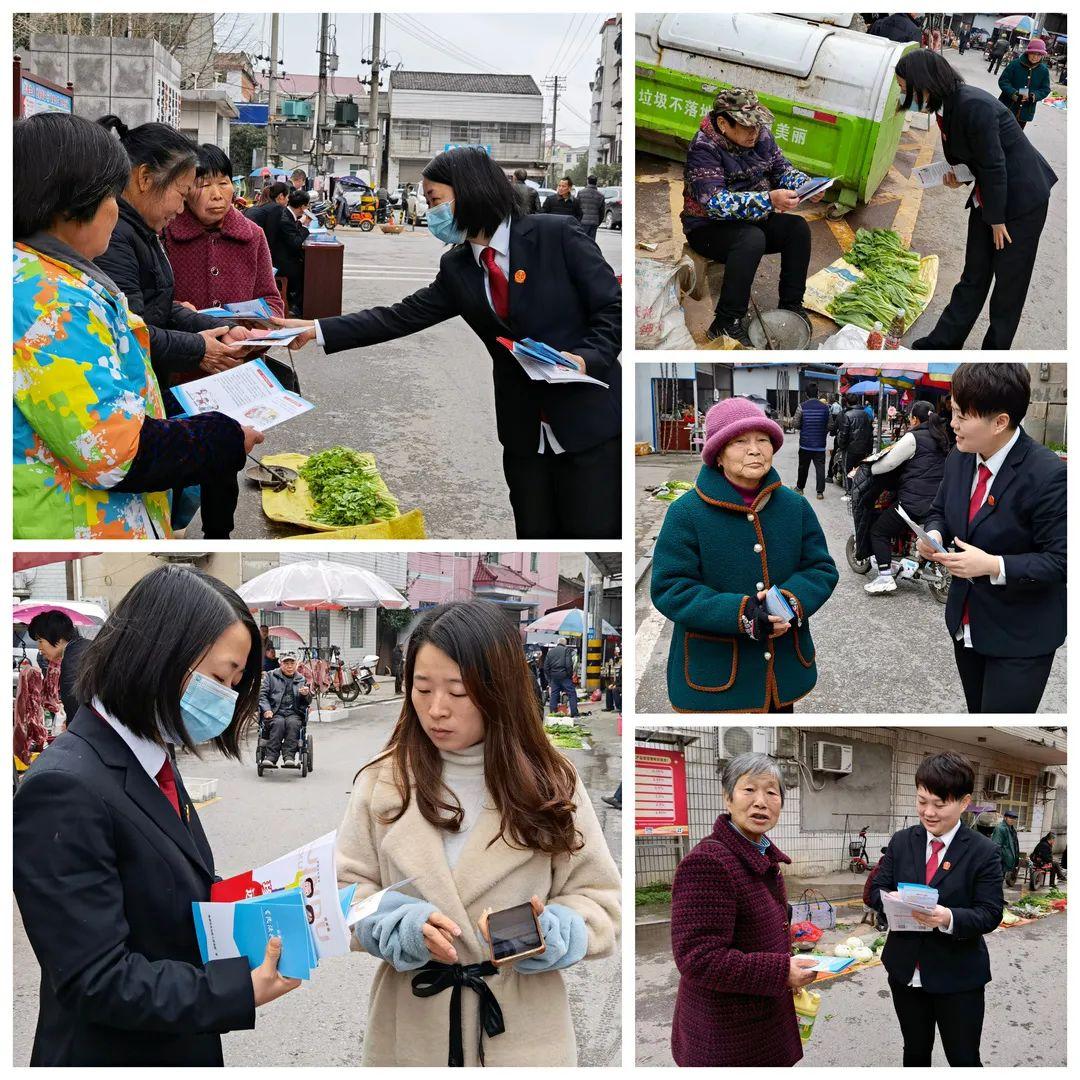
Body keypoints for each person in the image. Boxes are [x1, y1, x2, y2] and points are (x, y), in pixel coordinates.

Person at [12, 565, 299, 1065]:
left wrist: (291, 912)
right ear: (158, 653)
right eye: (218, 676)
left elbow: (174, 885)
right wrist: (237, 990)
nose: (226, 698)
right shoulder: (63, 787)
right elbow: (97, 979)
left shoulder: (149, 759)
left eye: (235, 682)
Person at [272, 147, 621, 540]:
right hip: (524, 434)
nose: (429, 209)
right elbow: (398, 316)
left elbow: (612, 308)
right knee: (535, 530)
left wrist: (588, 359)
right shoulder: (458, 267)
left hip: (589, 425)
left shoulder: (555, 235)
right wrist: (316, 329)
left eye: (434, 198)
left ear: (469, 191)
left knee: (594, 531)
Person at [335, 601, 620, 1066]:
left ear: (499, 690)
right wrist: (395, 926)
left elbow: (599, 897)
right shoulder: (383, 780)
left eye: (459, 692)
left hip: (524, 1029)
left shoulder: (551, 780)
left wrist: (551, 931)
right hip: (410, 1029)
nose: (436, 709)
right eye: (422, 689)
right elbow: (345, 892)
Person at [13, 113, 260, 540]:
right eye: (112, 195)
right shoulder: (51, 302)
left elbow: (142, 320)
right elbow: (116, 452)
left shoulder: (48, 274)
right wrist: (223, 436)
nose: (117, 208)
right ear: (73, 203)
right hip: (74, 521)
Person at [651, 397, 838, 713]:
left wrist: (791, 603)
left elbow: (820, 568)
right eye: (740, 441)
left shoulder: (795, 507)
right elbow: (670, 588)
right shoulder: (686, 513)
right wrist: (741, 613)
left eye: (763, 439)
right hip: (716, 681)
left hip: (780, 675)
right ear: (719, 454)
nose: (755, 449)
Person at [918, 364, 1066, 713]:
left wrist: (992, 565)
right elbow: (940, 508)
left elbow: (1062, 560)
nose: (952, 424)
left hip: (1021, 636)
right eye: (951, 411)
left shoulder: (1049, 475)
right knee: (976, 712)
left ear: (1000, 422)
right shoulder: (960, 456)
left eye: (961, 415)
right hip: (967, 624)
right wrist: (934, 533)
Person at [895, 52, 1058, 350]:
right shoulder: (945, 108)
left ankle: (994, 354)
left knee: (1008, 287)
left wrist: (997, 220)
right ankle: (943, 342)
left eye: (906, 89)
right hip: (992, 195)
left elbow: (995, 164)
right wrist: (961, 177)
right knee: (973, 276)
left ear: (925, 83)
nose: (905, 96)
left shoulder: (973, 106)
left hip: (1021, 200)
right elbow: (977, 161)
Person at [670, 752, 816, 1066]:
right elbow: (697, 958)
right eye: (749, 790)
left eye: (771, 792)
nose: (761, 801)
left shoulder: (760, 854)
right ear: (728, 798)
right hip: (725, 1039)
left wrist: (783, 934)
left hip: (762, 1024)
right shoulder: (709, 861)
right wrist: (781, 971)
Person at [93, 116, 253, 391]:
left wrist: (222, 328)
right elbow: (129, 331)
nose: (181, 209)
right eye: (182, 193)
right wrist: (199, 347)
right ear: (144, 178)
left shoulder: (143, 228)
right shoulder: (115, 235)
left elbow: (160, 307)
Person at [869, 752, 1004, 1067]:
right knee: (914, 1053)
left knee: (963, 1058)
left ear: (964, 802)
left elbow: (989, 912)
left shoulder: (983, 852)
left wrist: (948, 917)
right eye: (921, 801)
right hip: (905, 972)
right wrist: (891, 903)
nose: (928, 812)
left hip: (958, 977)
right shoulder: (902, 841)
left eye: (939, 804)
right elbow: (876, 889)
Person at [681, 88, 823, 345]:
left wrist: (808, 186)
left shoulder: (761, 137)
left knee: (797, 228)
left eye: (757, 126)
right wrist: (769, 199)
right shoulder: (703, 148)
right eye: (747, 128)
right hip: (707, 227)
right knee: (751, 239)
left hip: (752, 217)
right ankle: (725, 322)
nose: (754, 133)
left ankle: (792, 305)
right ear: (723, 123)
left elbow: (782, 169)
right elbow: (715, 204)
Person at [163, 144, 284, 359]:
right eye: (204, 185)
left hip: (242, 362)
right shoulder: (164, 234)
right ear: (186, 189)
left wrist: (259, 334)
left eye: (223, 183)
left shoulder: (253, 235)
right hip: (184, 362)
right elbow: (152, 306)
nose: (217, 195)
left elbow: (272, 301)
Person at [863, 399, 951, 595]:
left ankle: (885, 575)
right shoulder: (942, 437)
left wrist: (869, 469)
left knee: (879, 530)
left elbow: (888, 464)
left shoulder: (913, 438)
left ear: (913, 419)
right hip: (937, 502)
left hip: (913, 503)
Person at [27, 610, 90, 723]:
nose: (39, 648)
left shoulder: (71, 661)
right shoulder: (85, 645)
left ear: (59, 639)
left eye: (41, 641)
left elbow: (74, 706)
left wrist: (73, 730)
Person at [258, 651, 311, 768]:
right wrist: (266, 709)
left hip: (294, 713)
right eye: (286, 663)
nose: (289, 666)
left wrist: (305, 695)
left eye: (292, 663)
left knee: (293, 724)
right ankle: (271, 757)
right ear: (280, 664)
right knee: (278, 723)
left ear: (296, 664)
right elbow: (262, 695)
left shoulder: (301, 679)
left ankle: (289, 757)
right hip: (275, 712)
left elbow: (307, 702)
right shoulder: (270, 676)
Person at [998, 38, 1052, 129]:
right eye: (1033, 53)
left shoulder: (1044, 70)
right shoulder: (1015, 64)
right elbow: (1003, 81)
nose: (1035, 57)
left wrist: (1033, 96)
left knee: (1016, 137)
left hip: (1025, 111)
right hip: (1007, 106)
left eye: (1039, 54)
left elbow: (1045, 89)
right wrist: (1013, 94)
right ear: (1028, 52)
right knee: (998, 132)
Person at [792, 382, 830, 500]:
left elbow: (795, 424)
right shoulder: (825, 408)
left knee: (803, 467)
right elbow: (830, 425)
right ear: (817, 393)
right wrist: (822, 431)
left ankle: (800, 488)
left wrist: (805, 427)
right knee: (820, 468)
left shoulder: (802, 406)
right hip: (820, 445)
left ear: (806, 394)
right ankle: (820, 492)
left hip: (805, 445)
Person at [278, 190, 311, 315]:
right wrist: (306, 226)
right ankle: (296, 306)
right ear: (302, 207)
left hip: (285, 256)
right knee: (309, 271)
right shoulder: (285, 218)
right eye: (307, 205)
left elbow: (293, 230)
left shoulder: (287, 214)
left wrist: (301, 223)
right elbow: (296, 242)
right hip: (283, 262)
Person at [835, 392, 875, 489]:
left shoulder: (847, 415)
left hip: (850, 449)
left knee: (848, 471)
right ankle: (858, 491)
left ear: (847, 403)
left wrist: (842, 446)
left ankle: (849, 492)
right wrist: (869, 449)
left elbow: (844, 434)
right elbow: (870, 434)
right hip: (863, 449)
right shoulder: (866, 414)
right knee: (860, 471)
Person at [542, 637, 579, 718]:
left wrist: (550, 678)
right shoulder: (566, 650)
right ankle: (574, 713)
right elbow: (568, 665)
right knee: (572, 693)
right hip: (564, 676)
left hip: (554, 677)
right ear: (565, 643)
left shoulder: (550, 652)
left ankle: (553, 713)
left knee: (554, 695)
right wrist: (569, 675)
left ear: (558, 643)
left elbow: (546, 667)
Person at [991, 809, 1020, 885]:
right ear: (1005, 818)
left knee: (1000, 880)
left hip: (1007, 860)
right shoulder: (1000, 828)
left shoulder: (1011, 829)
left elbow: (1014, 845)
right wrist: (997, 861)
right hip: (1001, 861)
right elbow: (996, 846)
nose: (1012, 820)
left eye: (1014, 818)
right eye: (1010, 818)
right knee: (997, 880)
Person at [576, 175, 606, 241]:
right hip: (594, 223)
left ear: (587, 181)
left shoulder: (580, 193)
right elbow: (602, 212)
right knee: (591, 242)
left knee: (582, 241)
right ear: (596, 182)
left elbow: (576, 208)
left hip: (582, 222)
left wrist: (577, 220)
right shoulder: (600, 195)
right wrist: (598, 222)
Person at [601, 643, 622, 711]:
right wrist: (613, 684)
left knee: (615, 690)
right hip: (618, 682)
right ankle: (609, 707)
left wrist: (616, 685)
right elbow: (619, 678)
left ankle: (619, 707)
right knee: (608, 689)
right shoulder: (614, 660)